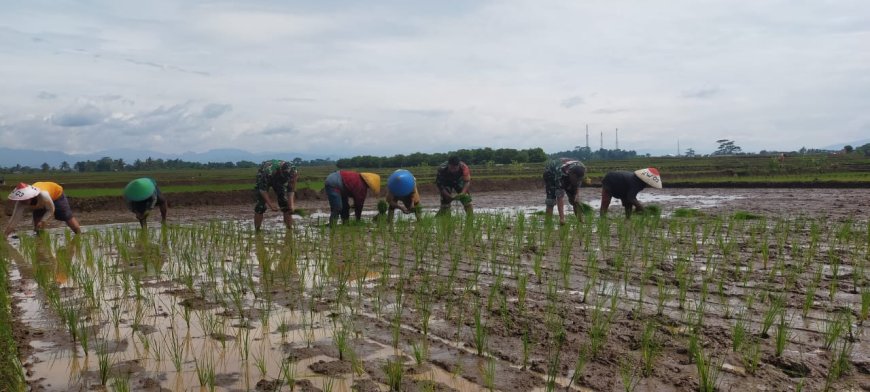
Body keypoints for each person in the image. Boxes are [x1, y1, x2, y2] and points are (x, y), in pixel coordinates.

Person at [4, 182, 82, 237]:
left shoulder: (43, 195)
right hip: (39, 203)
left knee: (66, 216)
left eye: (25, 199)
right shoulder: (20, 203)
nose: (22, 201)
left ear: (30, 196)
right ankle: (41, 242)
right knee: (37, 226)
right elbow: (14, 220)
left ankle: (79, 235)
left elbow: (51, 210)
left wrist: (43, 221)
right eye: (21, 199)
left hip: (56, 195)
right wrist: (5, 235)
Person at [254, 160, 298, 231]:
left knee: (286, 205)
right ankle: (257, 230)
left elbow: (291, 189)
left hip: (279, 180)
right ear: (280, 171)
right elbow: (263, 190)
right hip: (266, 176)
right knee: (260, 206)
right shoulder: (268, 172)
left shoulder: (293, 172)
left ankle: (289, 230)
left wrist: (291, 205)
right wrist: (271, 205)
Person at [543, 158, 587, 225]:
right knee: (551, 201)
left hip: (565, 172)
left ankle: (580, 220)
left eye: (579, 180)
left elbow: (578, 184)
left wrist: (577, 195)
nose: (577, 181)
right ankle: (548, 223)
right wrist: (562, 218)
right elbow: (559, 198)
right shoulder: (560, 174)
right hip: (551, 173)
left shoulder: (582, 169)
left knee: (574, 200)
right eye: (575, 179)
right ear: (571, 175)